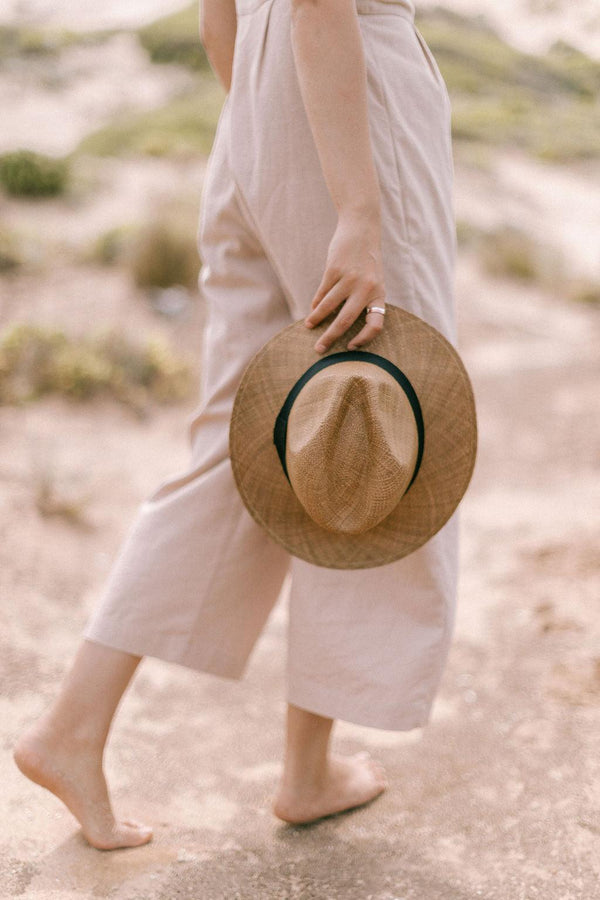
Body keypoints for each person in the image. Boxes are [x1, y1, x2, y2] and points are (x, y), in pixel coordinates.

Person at [14, 0, 458, 850]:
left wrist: (264, 130)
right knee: (374, 424)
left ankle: (73, 727)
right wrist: (357, 212)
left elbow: (221, 15)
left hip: (256, 106)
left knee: (241, 441)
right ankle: (307, 771)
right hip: (344, 94)